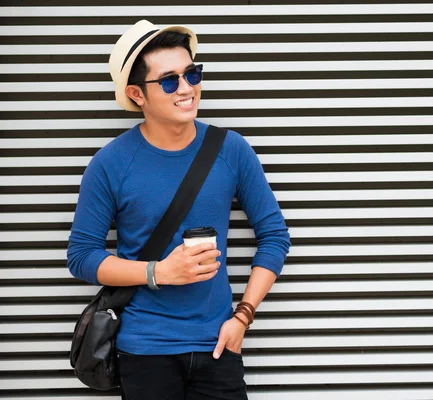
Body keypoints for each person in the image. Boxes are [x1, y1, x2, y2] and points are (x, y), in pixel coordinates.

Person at [67, 20, 291, 400]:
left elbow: (274, 236)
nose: (187, 88)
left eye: (192, 73)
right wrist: (159, 272)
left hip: (218, 346)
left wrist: (243, 317)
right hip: (144, 351)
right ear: (137, 94)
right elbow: (82, 256)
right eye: (169, 81)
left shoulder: (231, 149)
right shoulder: (110, 163)